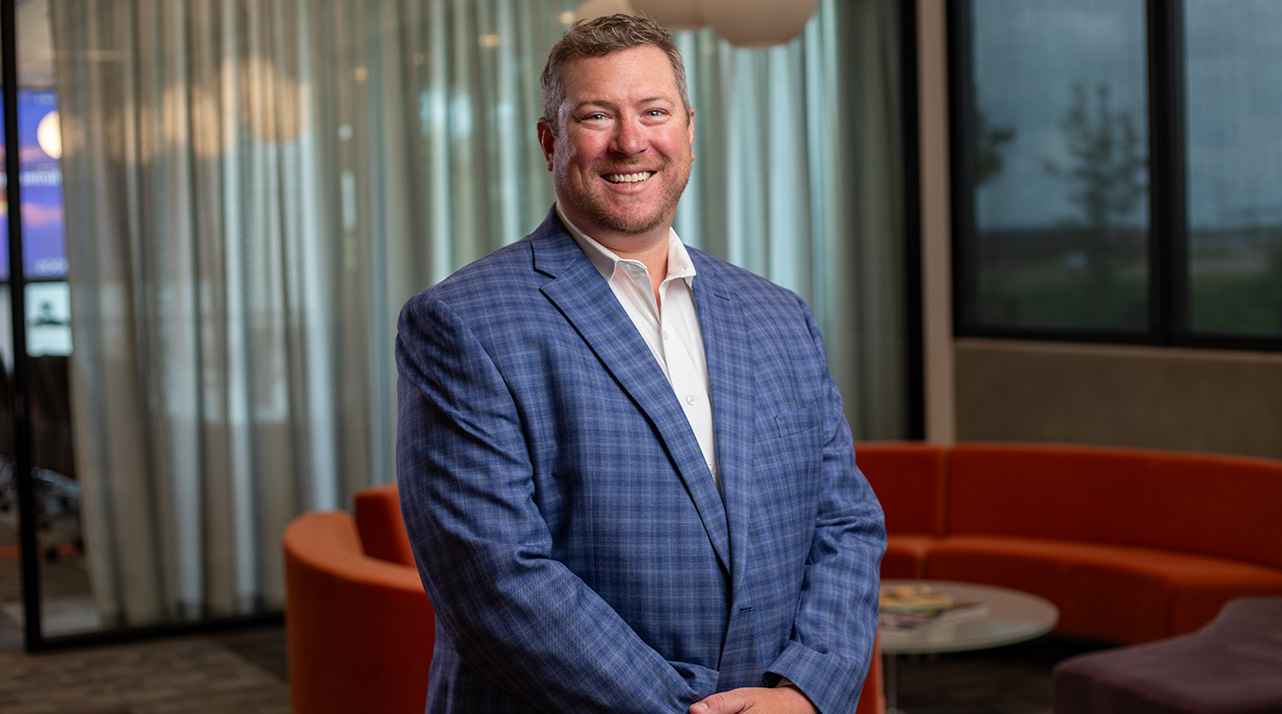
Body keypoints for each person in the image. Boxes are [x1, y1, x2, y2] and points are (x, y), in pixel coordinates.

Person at [396, 14, 885, 714]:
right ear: (549, 141)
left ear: (688, 130)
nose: (632, 141)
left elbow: (845, 524)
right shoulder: (461, 323)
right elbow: (494, 577)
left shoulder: (779, 314)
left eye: (653, 112)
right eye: (597, 115)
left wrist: (806, 690)